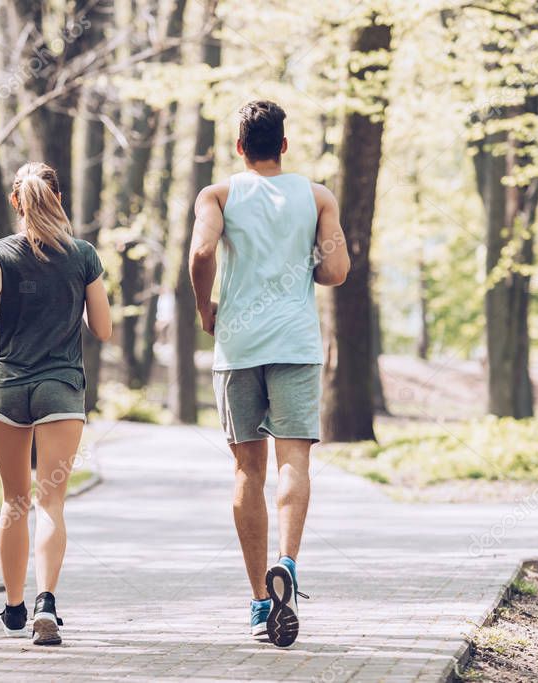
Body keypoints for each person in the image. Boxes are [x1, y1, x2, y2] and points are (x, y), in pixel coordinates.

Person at [188, 100, 350, 647]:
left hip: (238, 347)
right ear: (283, 145)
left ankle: (261, 602)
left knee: (246, 472)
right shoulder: (317, 195)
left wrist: (205, 307)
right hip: (297, 346)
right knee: (294, 461)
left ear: (239, 147)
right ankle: (289, 564)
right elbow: (336, 271)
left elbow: (201, 251)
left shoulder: (218, 195)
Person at [0, 162, 112, 646]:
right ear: (59, 198)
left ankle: (13, 608)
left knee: (14, 501)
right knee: (51, 500)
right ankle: (46, 602)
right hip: (61, 388)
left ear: (17, 201)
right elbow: (103, 328)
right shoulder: (82, 255)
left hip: (8, 387)